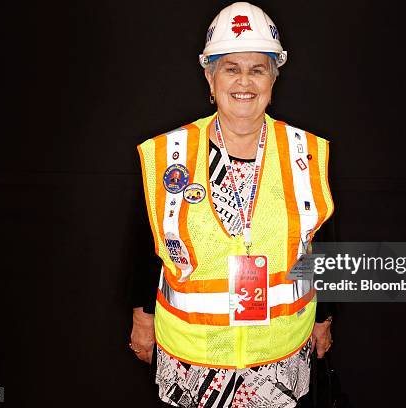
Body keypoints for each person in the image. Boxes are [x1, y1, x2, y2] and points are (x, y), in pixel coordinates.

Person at [130, 3, 336, 407]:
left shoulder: (307, 152)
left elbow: (322, 243)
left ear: (273, 78)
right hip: (194, 362)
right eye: (231, 68)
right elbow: (144, 242)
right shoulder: (169, 153)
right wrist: (142, 317)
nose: (245, 81)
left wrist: (326, 316)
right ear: (210, 77)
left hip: (278, 360)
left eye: (257, 69)